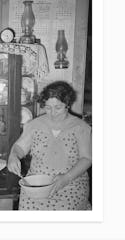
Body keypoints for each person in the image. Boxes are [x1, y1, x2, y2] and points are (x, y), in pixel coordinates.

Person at [8, 81, 92, 210]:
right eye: (48, 107)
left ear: (67, 104)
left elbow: (86, 159)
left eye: (58, 107)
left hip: (71, 184)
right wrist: (13, 156)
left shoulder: (80, 127)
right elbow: (19, 147)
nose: (53, 113)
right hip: (37, 186)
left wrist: (66, 178)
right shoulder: (34, 125)